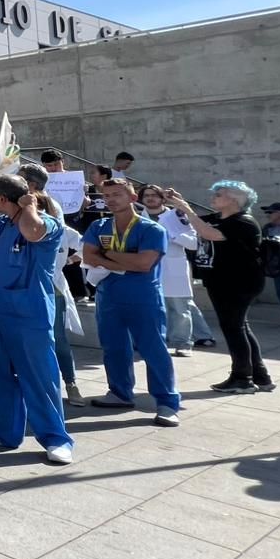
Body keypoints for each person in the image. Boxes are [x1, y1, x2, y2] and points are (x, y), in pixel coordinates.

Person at [0, 176, 75, 465]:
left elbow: (33, 231)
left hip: (28, 313)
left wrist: (28, 206)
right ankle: (3, 431)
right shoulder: (0, 223)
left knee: (39, 377)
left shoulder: (46, 222)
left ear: (2, 199)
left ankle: (56, 438)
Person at [81, 178, 180, 425]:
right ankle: (119, 392)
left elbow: (143, 264)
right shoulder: (98, 225)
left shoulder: (152, 229)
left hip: (143, 298)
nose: (111, 200)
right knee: (114, 348)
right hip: (109, 297)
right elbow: (88, 257)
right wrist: (124, 260)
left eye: (117, 194)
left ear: (132, 198)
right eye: (107, 195)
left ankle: (167, 403)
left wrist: (108, 256)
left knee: (153, 349)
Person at [168, 182, 273, 394]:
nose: (213, 197)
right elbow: (194, 223)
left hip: (238, 283)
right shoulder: (219, 219)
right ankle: (261, 377)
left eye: (219, 195)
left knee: (233, 329)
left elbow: (209, 234)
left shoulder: (244, 222)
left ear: (234, 200)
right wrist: (179, 203)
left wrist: (187, 208)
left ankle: (242, 378)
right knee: (240, 327)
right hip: (221, 282)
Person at [21, 162, 84, 404]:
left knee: (56, 338)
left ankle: (70, 383)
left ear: (33, 185)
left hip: (51, 288)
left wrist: (68, 260)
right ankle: (38, 387)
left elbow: (81, 242)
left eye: (21, 179)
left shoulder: (46, 209)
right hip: (25, 287)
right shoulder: (20, 213)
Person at [138, 184, 208, 355]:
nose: (150, 198)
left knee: (179, 308)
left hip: (174, 266)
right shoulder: (138, 218)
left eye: (154, 195)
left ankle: (183, 344)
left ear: (163, 198)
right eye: (146, 195)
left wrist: (172, 235)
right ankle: (160, 339)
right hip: (148, 268)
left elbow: (193, 243)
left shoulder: (177, 216)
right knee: (153, 307)